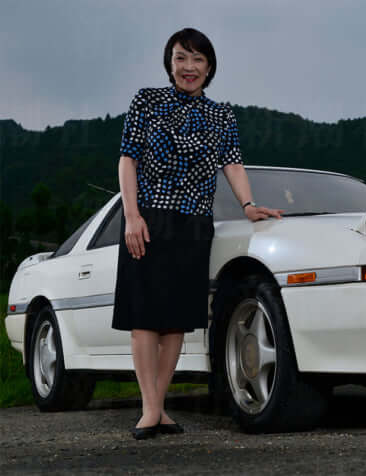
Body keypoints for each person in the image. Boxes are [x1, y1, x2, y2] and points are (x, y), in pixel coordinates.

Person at [111, 27, 283, 440]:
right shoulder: (147, 101)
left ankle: (157, 409)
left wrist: (248, 205)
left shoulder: (221, 114)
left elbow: (232, 164)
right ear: (169, 63)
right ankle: (150, 410)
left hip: (194, 225)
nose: (188, 67)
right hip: (148, 221)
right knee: (144, 319)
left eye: (197, 59)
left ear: (209, 67)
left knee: (175, 322)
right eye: (181, 58)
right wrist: (131, 215)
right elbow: (128, 160)